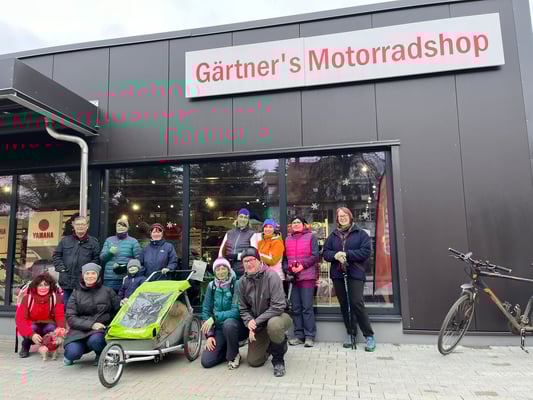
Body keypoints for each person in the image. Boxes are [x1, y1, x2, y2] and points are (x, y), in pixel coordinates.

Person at [323, 207, 376, 351]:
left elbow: (366, 252)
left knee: (356, 302)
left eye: (345, 215)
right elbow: (325, 253)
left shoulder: (360, 233)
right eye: (340, 216)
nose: (342, 218)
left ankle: (369, 335)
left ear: (350, 216)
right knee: (345, 304)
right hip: (338, 274)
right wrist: (335, 255)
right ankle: (351, 333)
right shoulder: (333, 235)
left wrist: (347, 254)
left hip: (355, 273)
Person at [239, 247, 292, 377]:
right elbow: (243, 308)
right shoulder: (242, 282)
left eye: (252, 260)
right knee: (254, 361)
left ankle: (278, 360)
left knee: (274, 325)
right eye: (245, 261)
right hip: (260, 323)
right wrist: (249, 322)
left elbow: (278, 306)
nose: (249, 264)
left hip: (280, 317)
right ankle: (272, 344)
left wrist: (256, 321)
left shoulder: (271, 276)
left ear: (259, 260)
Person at [63, 263, 120, 366]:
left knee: (96, 341)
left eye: (93, 273)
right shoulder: (76, 293)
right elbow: (71, 317)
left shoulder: (108, 291)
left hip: (99, 330)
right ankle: (78, 349)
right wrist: (91, 325)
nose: (90, 276)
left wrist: (123, 304)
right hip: (79, 331)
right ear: (83, 276)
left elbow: (118, 312)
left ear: (98, 275)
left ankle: (100, 354)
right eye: (87, 273)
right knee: (72, 353)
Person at [200, 257, 247, 369]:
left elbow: (236, 311)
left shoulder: (236, 284)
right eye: (218, 269)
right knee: (206, 362)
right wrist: (210, 335)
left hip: (235, 327)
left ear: (228, 270)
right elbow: (206, 310)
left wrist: (215, 318)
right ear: (214, 272)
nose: (221, 272)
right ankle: (226, 349)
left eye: (223, 268)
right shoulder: (211, 286)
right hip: (219, 330)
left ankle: (234, 355)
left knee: (228, 323)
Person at [284, 216, 319, 348]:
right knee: (296, 308)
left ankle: (309, 336)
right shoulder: (287, 239)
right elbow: (285, 259)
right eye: (294, 222)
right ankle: (299, 336)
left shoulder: (311, 237)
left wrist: (302, 266)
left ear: (304, 225)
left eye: (299, 222)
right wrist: (288, 269)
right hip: (293, 278)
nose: (296, 224)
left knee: (307, 307)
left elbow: (315, 256)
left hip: (307, 277)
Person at [52, 215, 100, 310]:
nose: (80, 226)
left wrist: (88, 273)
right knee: (66, 307)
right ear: (73, 226)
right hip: (67, 280)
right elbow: (56, 256)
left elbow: (96, 259)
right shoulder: (65, 241)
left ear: (87, 226)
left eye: (82, 224)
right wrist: (61, 269)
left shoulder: (93, 242)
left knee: (83, 307)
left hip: (84, 281)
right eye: (78, 224)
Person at [15, 273, 64, 358]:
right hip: (32, 325)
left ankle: (50, 347)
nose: (43, 288)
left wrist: (60, 330)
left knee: (52, 328)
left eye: (46, 285)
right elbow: (20, 320)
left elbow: (60, 316)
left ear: (50, 286)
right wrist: (31, 334)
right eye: (40, 285)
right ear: (35, 286)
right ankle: (25, 346)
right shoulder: (27, 298)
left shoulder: (56, 298)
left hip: (48, 325)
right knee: (33, 328)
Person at [100, 217, 141, 292]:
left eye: (123, 225)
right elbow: (102, 258)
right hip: (109, 278)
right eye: (118, 225)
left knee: (124, 298)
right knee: (108, 298)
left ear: (128, 227)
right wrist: (109, 252)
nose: (120, 227)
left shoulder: (133, 241)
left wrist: (124, 267)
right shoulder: (109, 240)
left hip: (126, 277)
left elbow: (138, 260)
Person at [218, 208, 257, 279]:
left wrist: (237, 256)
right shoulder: (229, 233)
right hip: (228, 270)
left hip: (243, 272)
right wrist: (222, 265)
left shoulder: (252, 234)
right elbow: (221, 252)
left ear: (248, 220)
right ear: (237, 218)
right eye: (241, 216)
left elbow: (253, 254)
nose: (243, 219)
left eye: (245, 217)